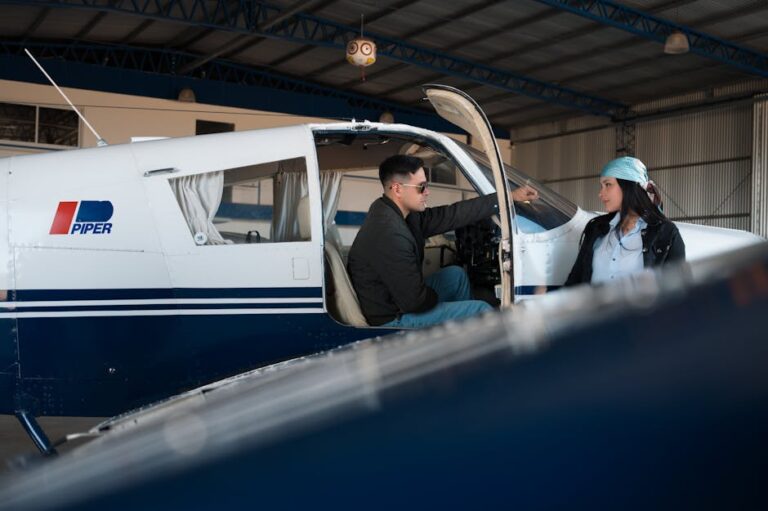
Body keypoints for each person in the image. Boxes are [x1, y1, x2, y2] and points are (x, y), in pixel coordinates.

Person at [348, 154, 538, 328]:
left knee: (455, 276)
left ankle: (461, 335)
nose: (427, 192)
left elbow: (452, 214)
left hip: (399, 298)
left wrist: (508, 197)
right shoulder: (389, 233)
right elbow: (415, 302)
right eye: (421, 187)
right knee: (480, 310)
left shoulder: (400, 214)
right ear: (397, 189)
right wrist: (441, 301)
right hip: (391, 316)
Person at [565, 156, 685, 286]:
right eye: (601, 186)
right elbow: (575, 282)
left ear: (628, 186)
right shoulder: (596, 228)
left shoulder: (666, 233)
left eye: (608, 185)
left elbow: (677, 292)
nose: (600, 193)